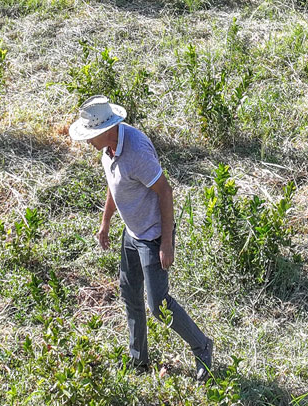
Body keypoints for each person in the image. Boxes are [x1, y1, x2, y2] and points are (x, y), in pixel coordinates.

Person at [68, 95, 214, 381]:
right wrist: (105, 223)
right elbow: (114, 187)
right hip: (131, 232)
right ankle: (139, 360)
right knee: (129, 293)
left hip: (153, 235)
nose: (87, 142)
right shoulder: (108, 150)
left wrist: (166, 243)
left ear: (106, 130)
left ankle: (202, 346)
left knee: (159, 305)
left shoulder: (136, 151)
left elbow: (165, 192)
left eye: (90, 135)